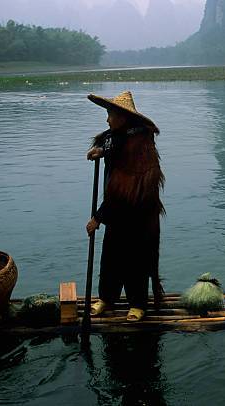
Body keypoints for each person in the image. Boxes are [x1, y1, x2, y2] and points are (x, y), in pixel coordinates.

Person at [85, 90, 165, 322]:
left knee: (136, 259)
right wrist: (99, 150)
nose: (107, 119)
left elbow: (125, 188)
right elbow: (110, 148)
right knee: (110, 256)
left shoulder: (140, 143)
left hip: (138, 213)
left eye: (110, 114)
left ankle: (138, 304)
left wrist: (98, 217)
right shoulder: (114, 138)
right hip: (117, 212)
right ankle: (107, 299)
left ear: (123, 117)